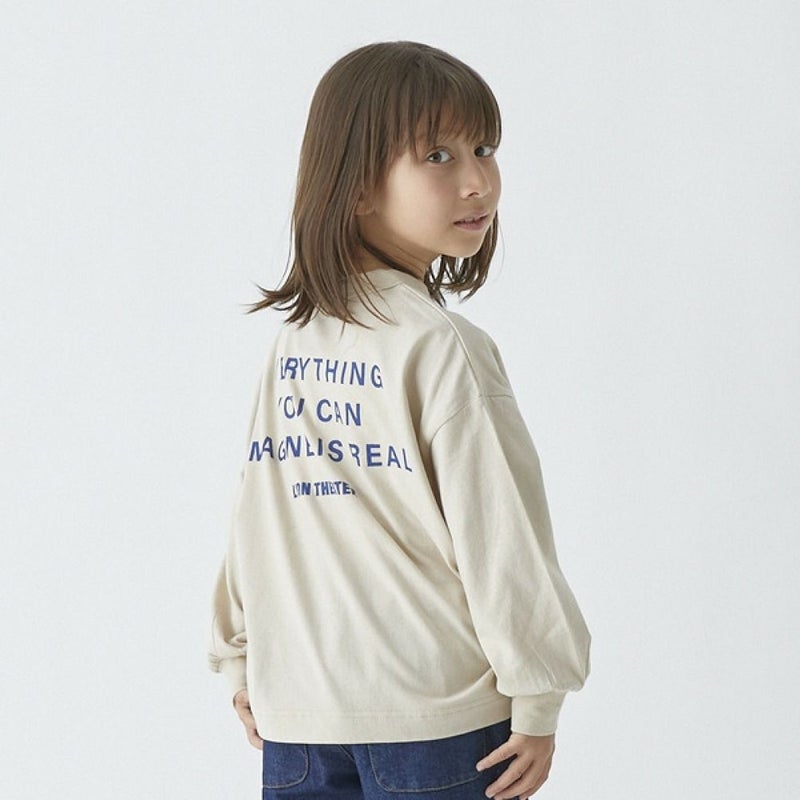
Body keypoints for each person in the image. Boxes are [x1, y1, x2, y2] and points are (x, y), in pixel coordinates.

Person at [208, 41, 591, 800]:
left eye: (484, 149)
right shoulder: (440, 346)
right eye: (439, 156)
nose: (479, 180)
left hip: (299, 719)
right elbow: (500, 531)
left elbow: (260, 512)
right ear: (355, 188)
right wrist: (538, 693)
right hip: (435, 722)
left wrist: (240, 656)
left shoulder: (297, 340)